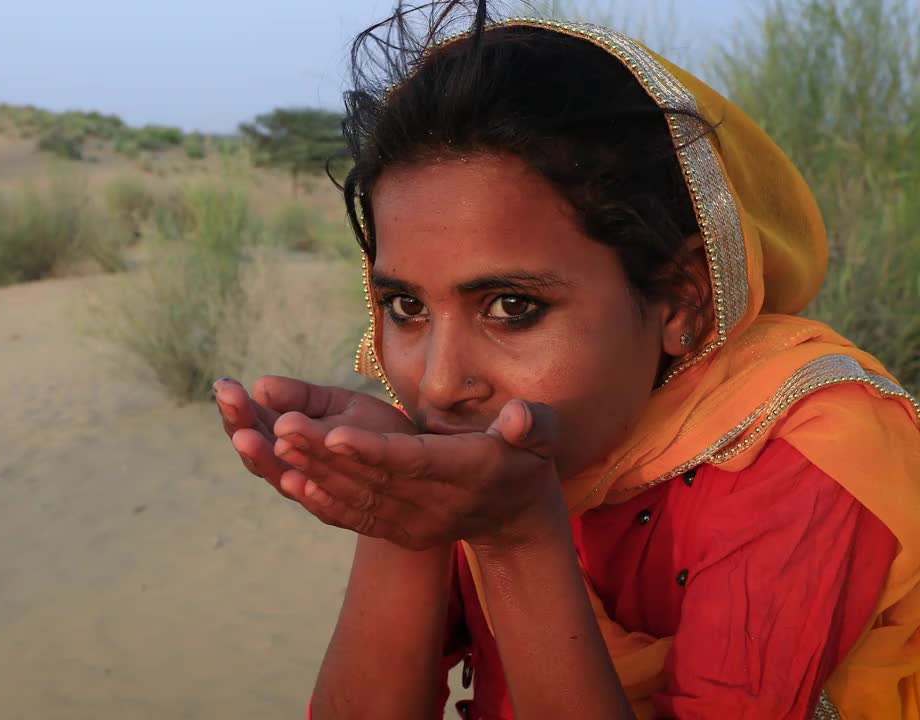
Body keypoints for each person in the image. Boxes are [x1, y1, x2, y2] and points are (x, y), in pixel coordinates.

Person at [212, 3, 920, 718]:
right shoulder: (477, 444)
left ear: (681, 301)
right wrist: (400, 519)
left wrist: (517, 539)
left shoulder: (808, 454)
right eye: (407, 308)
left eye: (512, 307)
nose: (438, 384)